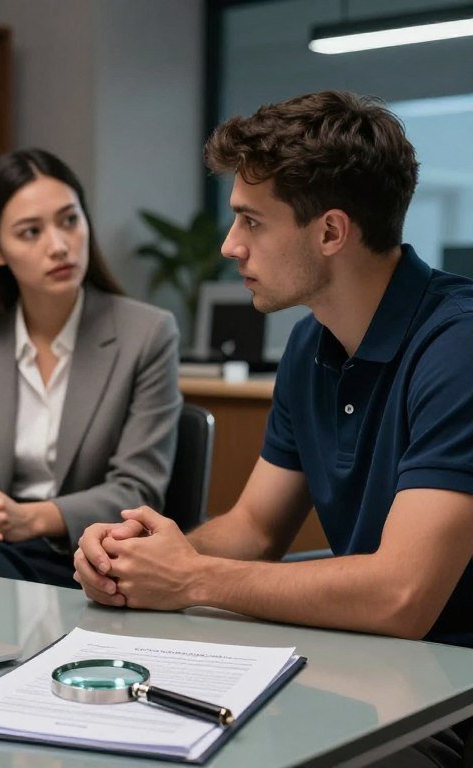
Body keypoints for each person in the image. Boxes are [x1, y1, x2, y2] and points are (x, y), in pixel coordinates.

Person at [75, 91, 473, 766]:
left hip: (449, 701)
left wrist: (192, 580)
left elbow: (403, 595)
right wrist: (139, 560)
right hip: (372, 674)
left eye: (251, 223)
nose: (231, 246)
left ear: (330, 232)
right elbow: (255, 529)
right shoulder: (308, 346)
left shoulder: (458, 348)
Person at [0, 148, 182, 588]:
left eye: (69, 221)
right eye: (30, 232)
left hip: (95, 553)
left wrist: (32, 519)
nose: (58, 245)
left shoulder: (147, 334)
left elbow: (138, 488)